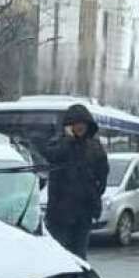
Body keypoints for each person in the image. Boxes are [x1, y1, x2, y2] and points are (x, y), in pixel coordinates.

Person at [45, 104, 109, 260]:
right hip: (60, 212)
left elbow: (103, 173)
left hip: (84, 211)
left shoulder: (94, 146)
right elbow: (52, 157)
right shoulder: (58, 143)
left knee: (79, 255)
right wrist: (68, 140)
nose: (80, 127)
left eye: (83, 123)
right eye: (75, 123)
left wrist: (95, 192)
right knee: (60, 255)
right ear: (68, 126)